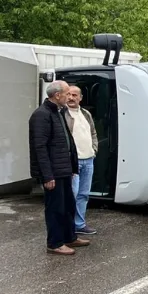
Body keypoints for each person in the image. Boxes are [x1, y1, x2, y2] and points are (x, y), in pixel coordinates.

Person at [29, 80, 89, 256]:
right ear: (57, 95)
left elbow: (64, 142)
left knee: (68, 205)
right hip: (53, 173)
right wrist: (47, 176)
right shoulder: (42, 115)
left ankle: (69, 236)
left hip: (63, 170)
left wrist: (71, 167)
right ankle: (55, 243)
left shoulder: (58, 112)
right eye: (66, 93)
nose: (68, 96)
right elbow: (40, 147)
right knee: (55, 208)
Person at [65, 86, 98, 235]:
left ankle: (79, 224)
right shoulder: (62, 113)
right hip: (73, 162)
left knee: (83, 194)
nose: (71, 98)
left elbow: (93, 133)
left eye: (74, 95)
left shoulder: (86, 114)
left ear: (80, 98)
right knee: (72, 194)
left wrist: (94, 150)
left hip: (88, 160)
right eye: (69, 94)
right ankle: (68, 226)